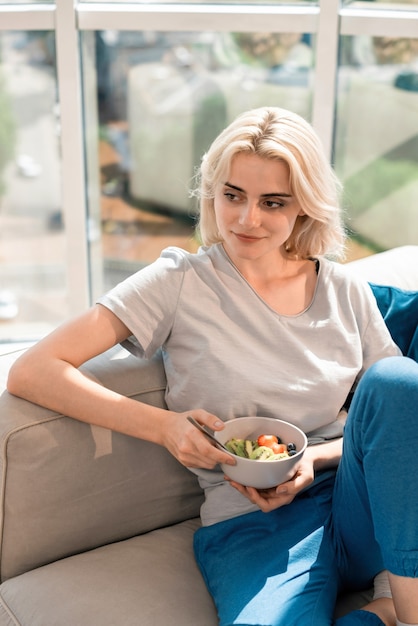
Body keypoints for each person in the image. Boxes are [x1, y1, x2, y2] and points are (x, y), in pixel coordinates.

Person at [7, 107, 418, 626]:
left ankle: (407, 612)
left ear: (305, 207)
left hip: (358, 507)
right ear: (212, 194)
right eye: (232, 195)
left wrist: (315, 459)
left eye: (273, 202)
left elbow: (401, 413)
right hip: (251, 526)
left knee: (400, 379)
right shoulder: (179, 281)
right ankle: (375, 615)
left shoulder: (344, 290)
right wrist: (163, 426)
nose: (247, 219)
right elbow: (35, 369)